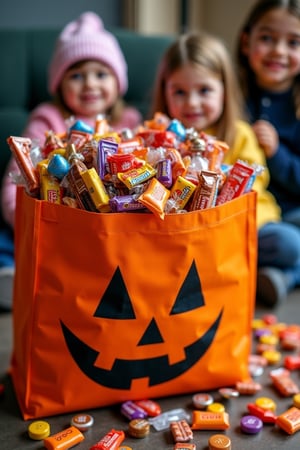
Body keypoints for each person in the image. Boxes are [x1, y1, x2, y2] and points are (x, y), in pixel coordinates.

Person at [0, 11, 142, 310]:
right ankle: (12, 272)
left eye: (101, 74)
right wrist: (26, 222)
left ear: (118, 83)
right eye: (76, 75)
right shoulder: (47, 120)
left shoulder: (129, 124)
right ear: (59, 84)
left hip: (112, 233)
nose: (89, 84)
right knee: (5, 242)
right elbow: (16, 182)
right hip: (52, 227)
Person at [151, 30, 300, 307]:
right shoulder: (162, 140)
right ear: (164, 92)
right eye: (180, 92)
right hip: (189, 232)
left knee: (291, 244)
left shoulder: (239, 133)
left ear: (224, 89)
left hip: (246, 226)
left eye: (204, 91)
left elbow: (258, 177)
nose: (192, 103)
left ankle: (279, 277)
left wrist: (222, 179)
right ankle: (255, 273)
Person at [236, 0, 300, 302]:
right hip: (255, 217)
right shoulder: (231, 95)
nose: (278, 51)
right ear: (247, 42)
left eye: (293, 42)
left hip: (292, 212)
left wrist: (277, 154)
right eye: (267, 38)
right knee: (289, 243)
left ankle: (283, 276)